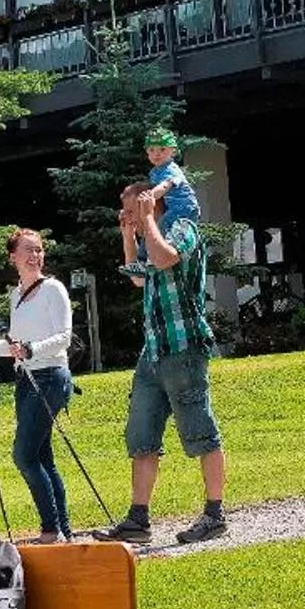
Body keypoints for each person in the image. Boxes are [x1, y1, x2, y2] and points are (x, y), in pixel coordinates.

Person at [99, 179, 227, 547]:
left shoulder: (182, 228)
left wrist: (148, 217)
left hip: (183, 347)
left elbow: (164, 258)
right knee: (140, 434)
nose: (127, 217)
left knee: (200, 429)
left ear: (148, 204)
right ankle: (138, 519)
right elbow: (139, 277)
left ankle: (214, 513)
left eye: (130, 210)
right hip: (153, 352)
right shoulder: (147, 234)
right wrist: (128, 235)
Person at [0, 229, 76, 542]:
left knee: (23, 456)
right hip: (26, 380)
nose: (35, 256)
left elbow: (64, 337)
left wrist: (31, 349)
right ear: (13, 258)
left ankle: (51, 530)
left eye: (39, 250)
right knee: (41, 457)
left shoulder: (53, 289)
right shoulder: (16, 296)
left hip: (50, 376)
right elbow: (12, 347)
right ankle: (62, 530)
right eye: (28, 251)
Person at [118, 126, 199, 279]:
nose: (157, 154)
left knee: (161, 227)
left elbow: (165, 186)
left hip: (183, 208)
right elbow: (139, 282)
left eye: (162, 149)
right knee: (156, 230)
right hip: (173, 207)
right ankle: (142, 263)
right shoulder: (155, 172)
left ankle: (144, 262)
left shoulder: (171, 169)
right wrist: (129, 236)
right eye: (152, 150)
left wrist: (148, 198)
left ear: (173, 151)